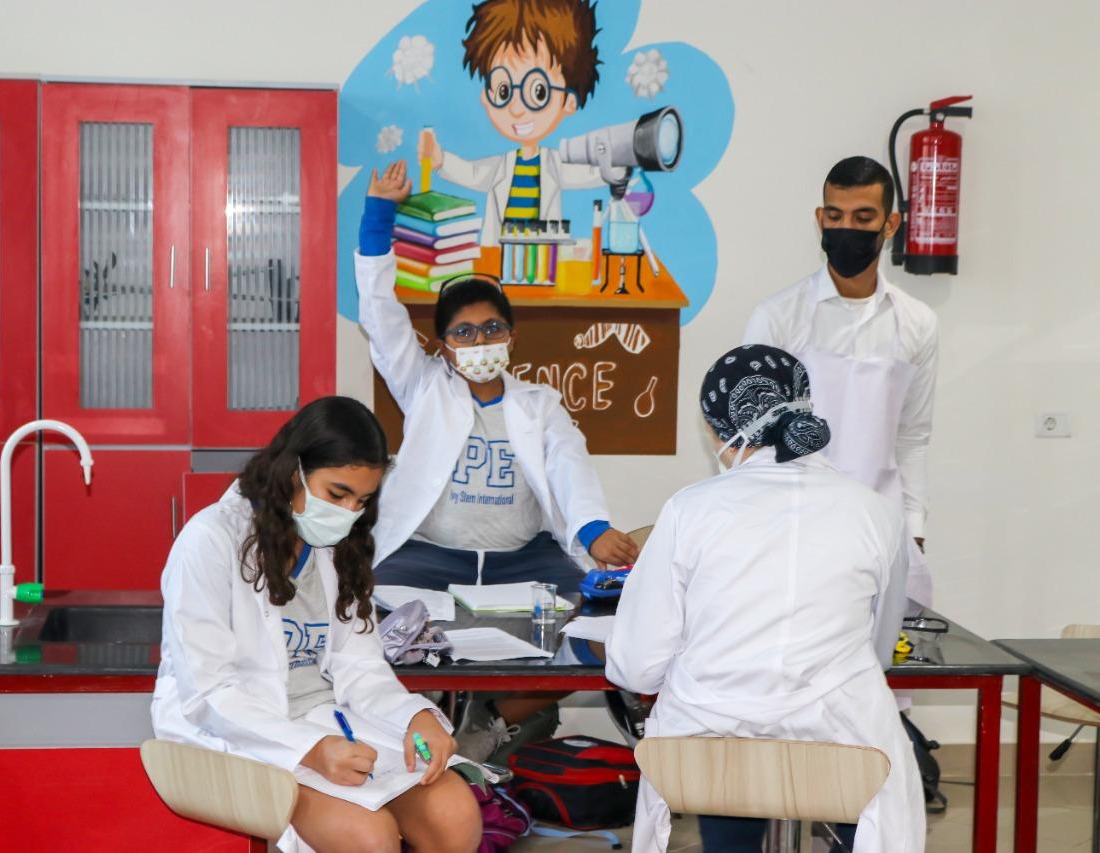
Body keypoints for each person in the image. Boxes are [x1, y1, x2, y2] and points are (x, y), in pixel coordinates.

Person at [356, 160, 640, 762]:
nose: (480, 342)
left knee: (593, 632)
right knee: (370, 636)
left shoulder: (539, 404)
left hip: (523, 564)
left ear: (511, 337)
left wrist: (591, 526)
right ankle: (410, 742)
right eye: (463, 333)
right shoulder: (424, 387)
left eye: (492, 329)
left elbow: (570, 463)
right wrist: (378, 217)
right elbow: (380, 318)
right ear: (440, 344)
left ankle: (491, 728)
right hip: (427, 560)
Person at [606, 344, 925, 853]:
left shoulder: (691, 510)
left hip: (710, 758)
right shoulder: (876, 512)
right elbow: (880, 648)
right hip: (841, 753)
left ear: (717, 429)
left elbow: (636, 668)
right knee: (868, 756)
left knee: (727, 766)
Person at [151, 396, 482, 853]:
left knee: (455, 814)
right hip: (243, 731)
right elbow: (207, 693)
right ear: (294, 471)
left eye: (362, 500)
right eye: (337, 493)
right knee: (369, 837)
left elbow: (361, 668)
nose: (348, 513)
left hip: (331, 725)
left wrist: (417, 716)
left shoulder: (336, 546)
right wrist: (308, 748)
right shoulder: (211, 540)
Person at [742, 156, 938, 607]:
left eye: (862, 217)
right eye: (835, 216)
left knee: (882, 664)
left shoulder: (918, 323)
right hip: (794, 533)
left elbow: (913, 436)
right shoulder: (778, 316)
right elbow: (747, 439)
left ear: (890, 224)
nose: (846, 227)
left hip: (881, 532)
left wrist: (914, 528)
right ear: (820, 219)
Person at [417, 0, 605, 246]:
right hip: (499, 260)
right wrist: (439, 159)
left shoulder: (555, 165)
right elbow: (472, 173)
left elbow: (591, 173)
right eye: (504, 91)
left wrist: (624, 163)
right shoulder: (502, 167)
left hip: (540, 263)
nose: (516, 109)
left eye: (538, 92)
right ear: (487, 96)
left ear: (568, 101)